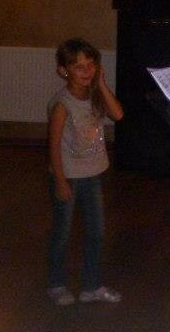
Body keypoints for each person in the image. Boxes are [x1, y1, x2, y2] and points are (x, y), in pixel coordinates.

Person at [46, 38, 124, 306]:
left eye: (91, 65)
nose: (87, 71)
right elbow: (53, 145)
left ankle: (92, 285)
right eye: (79, 67)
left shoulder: (94, 95)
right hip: (68, 175)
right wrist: (60, 180)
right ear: (63, 70)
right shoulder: (62, 104)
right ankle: (56, 284)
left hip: (93, 175)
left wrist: (101, 84)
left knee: (96, 232)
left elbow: (118, 114)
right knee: (63, 232)